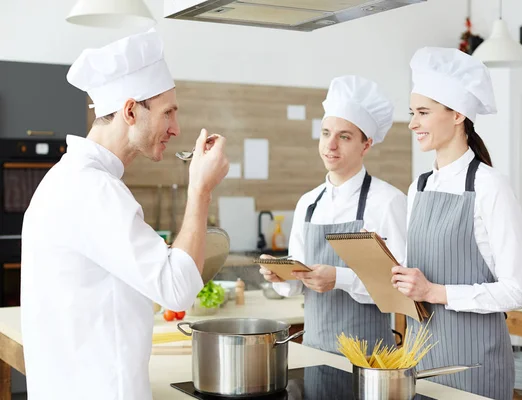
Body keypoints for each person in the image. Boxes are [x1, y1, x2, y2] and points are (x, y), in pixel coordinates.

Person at [20, 29, 229, 400]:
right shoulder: (94, 190)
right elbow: (177, 290)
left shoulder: (70, 179)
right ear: (131, 111)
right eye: (168, 112)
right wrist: (200, 188)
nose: (176, 128)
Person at [391, 47, 522, 400]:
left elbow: (515, 291)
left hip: (475, 366)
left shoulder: (489, 184)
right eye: (412, 112)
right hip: (422, 360)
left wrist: (434, 292)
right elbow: (417, 279)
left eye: (423, 112)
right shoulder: (419, 186)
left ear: (457, 115)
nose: (412, 123)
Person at [259, 75, 407, 354]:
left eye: (344, 136)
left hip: (371, 360)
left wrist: (340, 278)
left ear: (366, 145)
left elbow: (400, 290)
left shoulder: (389, 201)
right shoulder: (308, 203)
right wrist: (281, 276)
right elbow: (299, 285)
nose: (331, 145)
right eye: (326, 133)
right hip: (315, 352)